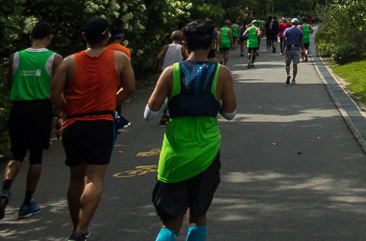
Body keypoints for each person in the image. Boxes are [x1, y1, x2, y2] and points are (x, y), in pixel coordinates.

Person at [144, 19, 236, 241]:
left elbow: (150, 115)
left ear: (184, 43)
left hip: (175, 152)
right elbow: (230, 113)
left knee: (170, 221)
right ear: (213, 43)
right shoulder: (221, 73)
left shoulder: (171, 72)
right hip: (207, 152)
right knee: (198, 215)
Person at [50, 17, 135, 241]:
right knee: (94, 179)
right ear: (107, 36)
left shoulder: (69, 62)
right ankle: (81, 229)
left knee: (75, 178)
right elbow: (130, 87)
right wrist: (111, 103)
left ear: (84, 36)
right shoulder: (120, 58)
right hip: (102, 123)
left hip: (74, 124)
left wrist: (69, 110)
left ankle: (77, 227)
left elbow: (54, 94)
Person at [1, 22, 62, 220]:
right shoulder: (54, 59)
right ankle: (27, 202)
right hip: (41, 109)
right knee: (36, 156)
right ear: (50, 37)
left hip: (19, 108)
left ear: (31, 37)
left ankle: (6, 189)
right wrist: (60, 116)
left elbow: (10, 82)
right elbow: (58, 88)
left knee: (16, 154)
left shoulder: (16, 57)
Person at [282, 19, 303, 84]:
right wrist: (302, 49)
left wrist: (287, 38)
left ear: (291, 23)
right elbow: (301, 41)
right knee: (295, 65)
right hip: (296, 48)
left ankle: (288, 75)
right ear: (297, 23)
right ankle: (293, 79)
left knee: (287, 63)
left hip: (289, 48)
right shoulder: (300, 31)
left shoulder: (287, 30)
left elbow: (283, 38)